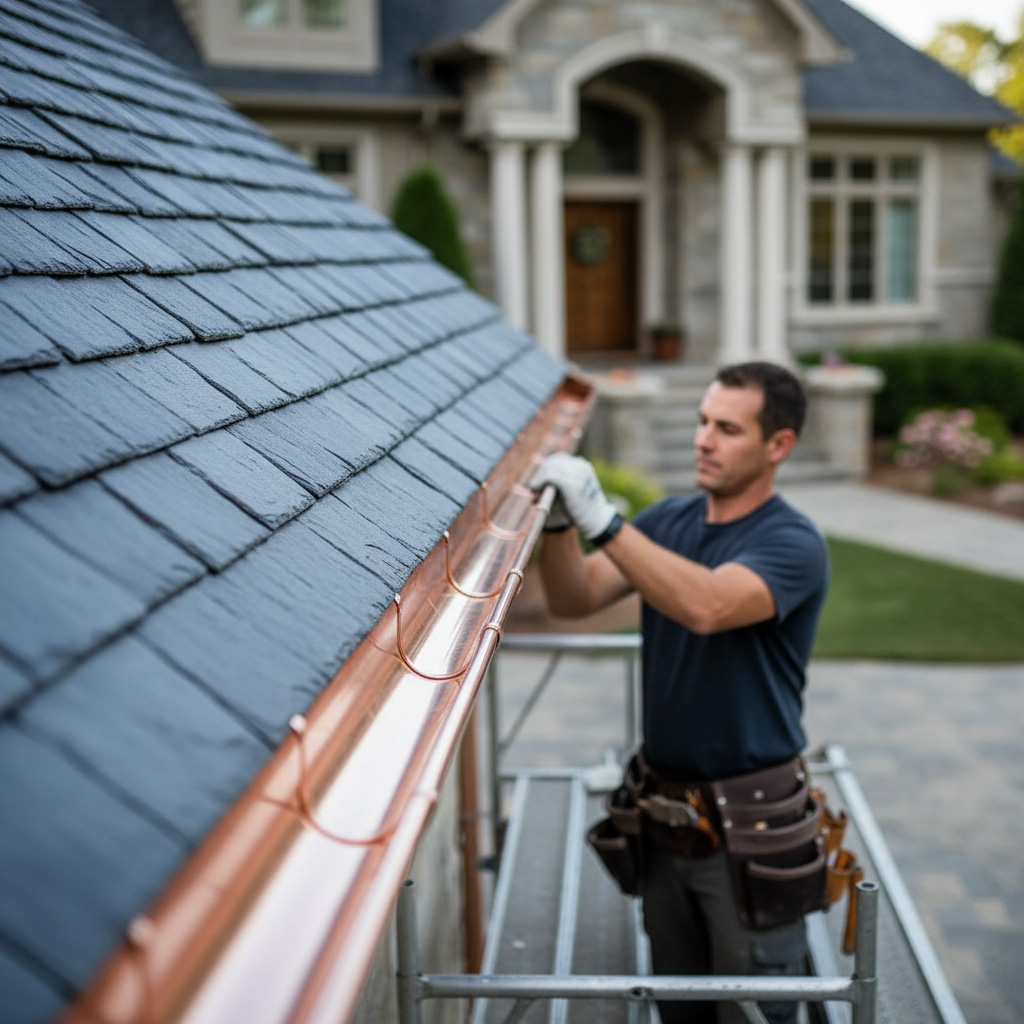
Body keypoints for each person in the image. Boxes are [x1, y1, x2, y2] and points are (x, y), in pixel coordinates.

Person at [531, 361, 830, 1024]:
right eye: (702, 422)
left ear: (778, 445)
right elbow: (572, 599)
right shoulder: (668, 521)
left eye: (727, 428)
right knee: (680, 1011)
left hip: (752, 832)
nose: (703, 439)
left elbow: (709, 605)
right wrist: (557, 525)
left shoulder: (793, 544)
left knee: (758, 1012)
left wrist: (604, 521)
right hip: (667, 822)